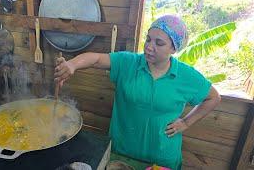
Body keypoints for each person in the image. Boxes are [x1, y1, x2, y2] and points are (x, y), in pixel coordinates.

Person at [54, 15, 221, 170]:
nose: (149, 47)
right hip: (122, 154)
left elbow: (213, 97)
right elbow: (96, 58)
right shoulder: (129, 63)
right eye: (148, 39)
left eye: (159, 43)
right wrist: (72, 65)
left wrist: (186, 123)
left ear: (174, 48)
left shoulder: (186, 76)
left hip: (162, 159)